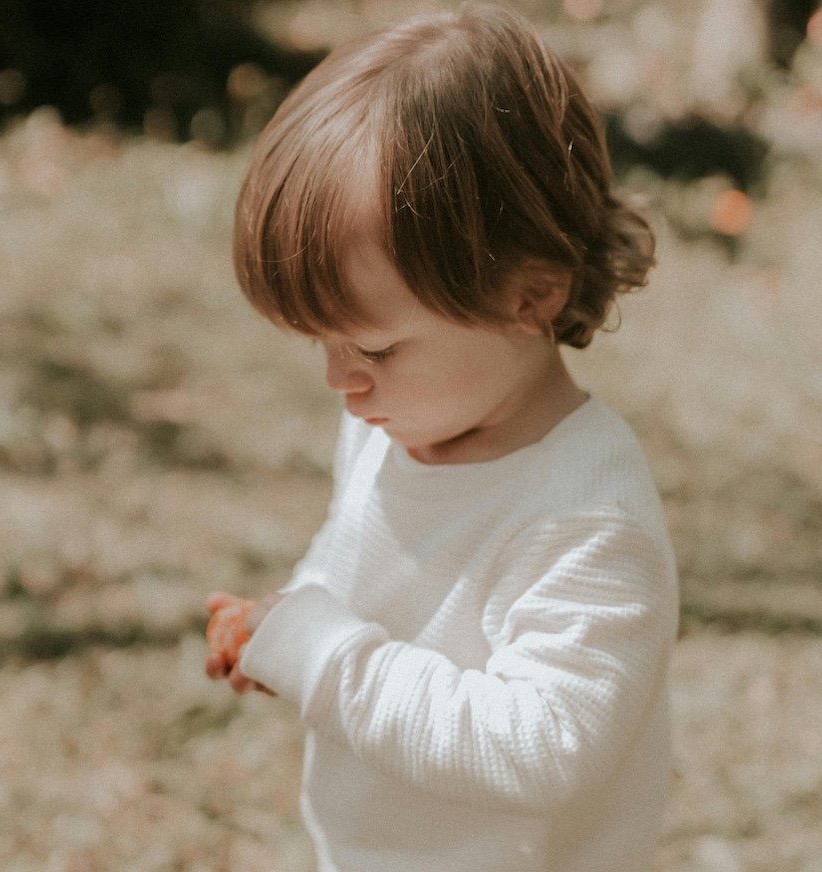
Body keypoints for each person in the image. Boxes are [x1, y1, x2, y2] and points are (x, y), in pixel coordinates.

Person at [204, 5, 678, 871]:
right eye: (324, 342)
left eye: (375, 347)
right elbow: (355, 554)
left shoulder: (585, 525)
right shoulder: (401, 419)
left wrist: (323, 656)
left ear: (530, 296)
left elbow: (540, 748)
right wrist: (285, 621)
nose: (339, 381)